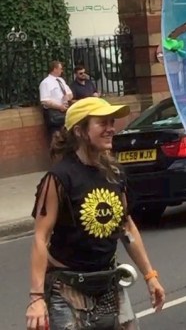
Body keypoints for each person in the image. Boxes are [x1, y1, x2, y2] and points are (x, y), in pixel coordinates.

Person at [27, 97, 165, 330]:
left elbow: (127, 227)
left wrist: (150, 276)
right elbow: (41, 237)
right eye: (102, 123)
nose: (111, 128)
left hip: (108, 283)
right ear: (80, 131)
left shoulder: (114, 174)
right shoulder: (60, 178)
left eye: (112, 122)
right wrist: (36, 298)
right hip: (67, 289)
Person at [39, 61, 73, 140]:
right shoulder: (45, 83)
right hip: (54, 113)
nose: (62, 71)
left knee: (66, 137)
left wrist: (67, 97)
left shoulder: (61, 80)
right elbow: (45, 101)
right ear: (55, 69)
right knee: (57, 137)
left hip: (64, 111)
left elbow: (70, 93)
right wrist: (59, 107)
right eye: (60, 69)